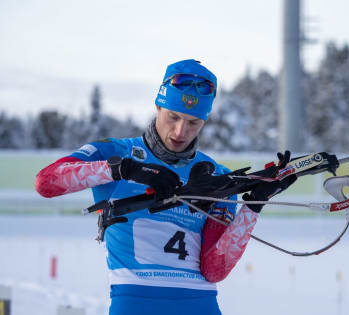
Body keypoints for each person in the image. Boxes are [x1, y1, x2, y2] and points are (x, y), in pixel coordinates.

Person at [35, 59, 297, 315]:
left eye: (193, 122)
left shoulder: (217, 176)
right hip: (135, 300)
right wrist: (122, 169)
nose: (181, 131)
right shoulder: (116, 152)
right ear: (158, 107)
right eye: (173, 117)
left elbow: (215, 269)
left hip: (201, 303)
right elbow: (46, 182)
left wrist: (253, 207)